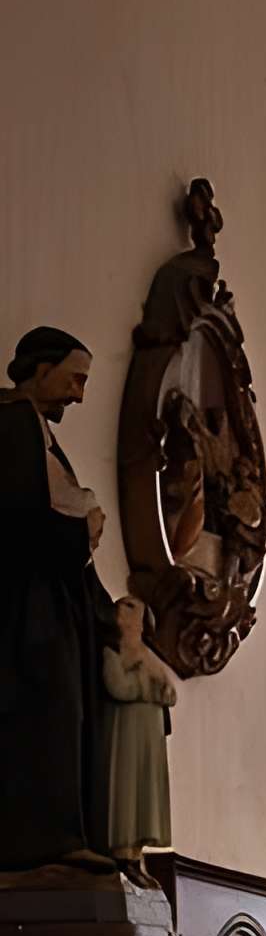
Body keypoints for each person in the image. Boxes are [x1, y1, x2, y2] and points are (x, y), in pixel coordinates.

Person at [0, 326, 115, 869]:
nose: (79, 394)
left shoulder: (35, 431)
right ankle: (45, 839)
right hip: (27, 604)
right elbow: (21, 518)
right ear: (40, 370)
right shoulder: (14, 425)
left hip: (48, 598)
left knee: (65, 705)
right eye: (75, 378)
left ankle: (62, 835)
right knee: (47, 706)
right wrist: (82, 531)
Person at [101, 595, 177, 863]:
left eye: (132, 613)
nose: (126, 615)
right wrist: (147, 686)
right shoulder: (112, 652)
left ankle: (136, 853)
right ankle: (123, 849)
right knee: (127, 786)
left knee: (146, 788)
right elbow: (117, 686)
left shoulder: (147, 655)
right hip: (127, 732)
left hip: (149, 735)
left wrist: (152, 687)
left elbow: (170, 694)